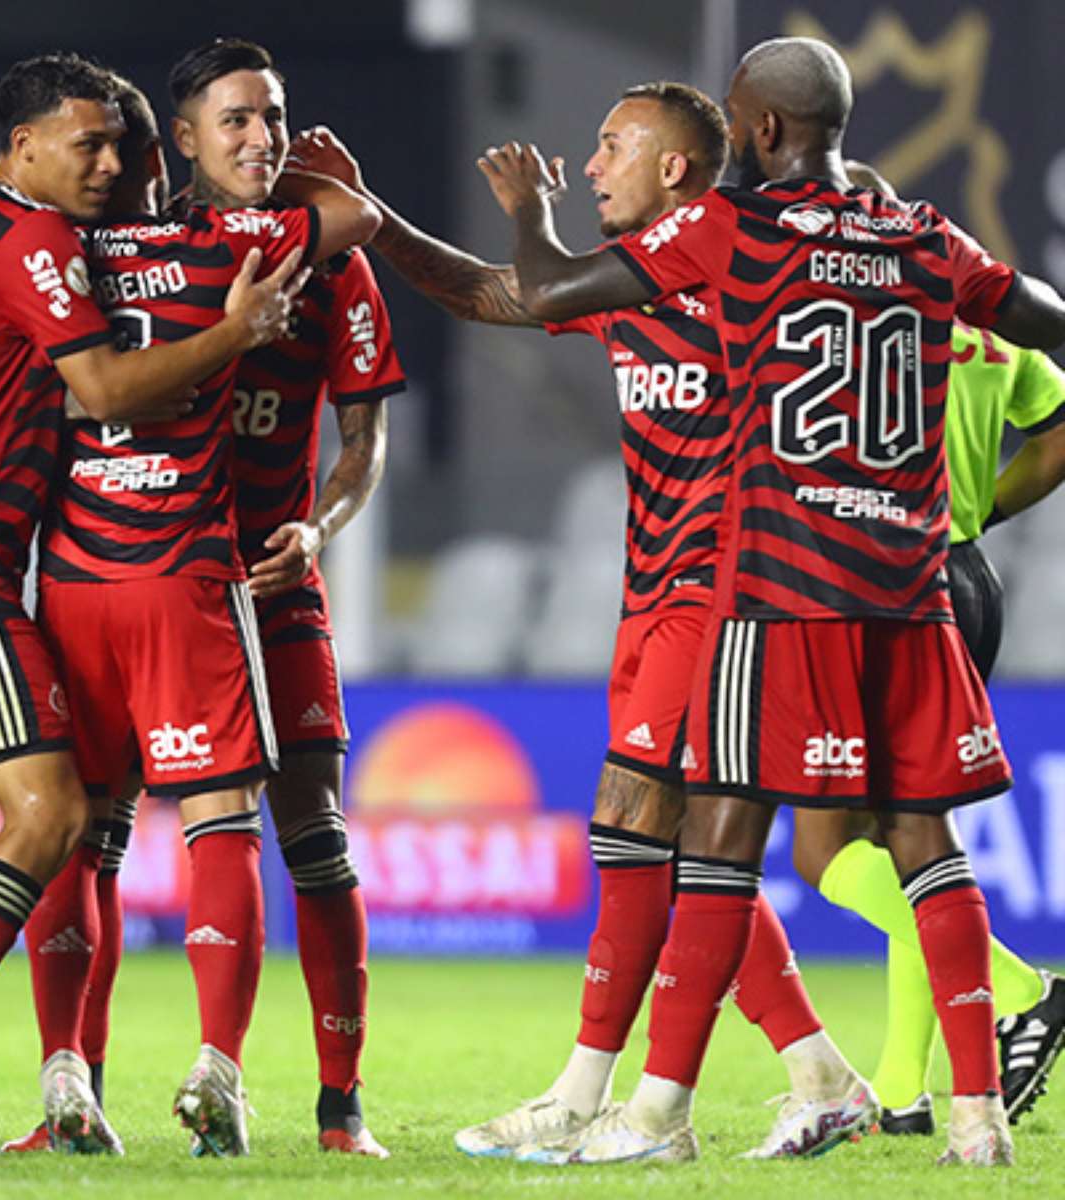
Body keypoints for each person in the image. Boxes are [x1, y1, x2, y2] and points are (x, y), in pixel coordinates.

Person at [479, 36, 1065, 1167]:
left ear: (756, 132)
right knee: (925, 846)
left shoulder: (733, 230)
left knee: (720, 841)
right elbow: (1038, 310)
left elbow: (548, 289)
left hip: (780, 588)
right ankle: (978, 1123)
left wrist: (521, 210)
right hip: (909, 591)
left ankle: (656, 1117)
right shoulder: (925, 237)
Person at [290, 86, 875, 1162]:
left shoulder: (736, 270)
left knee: (633, 836)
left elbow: (537, 276)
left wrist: (524, 211)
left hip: (724, 592)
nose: (590, 162)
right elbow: (487, 292)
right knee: (695, 855)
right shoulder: (634, 279)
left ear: (676, 171)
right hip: (652, 593)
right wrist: (374, 216)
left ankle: (592, 1093)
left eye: (613, 147)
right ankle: (818, 1073)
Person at [0, 52, 298, 1157]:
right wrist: (235, 333)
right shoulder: (35, 238)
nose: (107, 166)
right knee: (52, 813)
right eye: (86, 144)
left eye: (119, 146)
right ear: (21, 148)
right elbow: (100, 386)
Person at [3, 38, 403, 1159]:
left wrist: (316, 528)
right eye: (234, 121)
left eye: (273, 118)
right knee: (94, 837)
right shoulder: (127, 245)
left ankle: (341, 1108)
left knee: (314, 834)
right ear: (181, 140)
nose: (260, 140)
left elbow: (365, 437)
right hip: (154, 575)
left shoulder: (326, 269)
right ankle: (78, 1093)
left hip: (265, 585)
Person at [789, 161, 1065, 1136]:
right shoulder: (989, 325)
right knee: (917, 842)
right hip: (968, 573)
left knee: (825, 847)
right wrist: (982, 503)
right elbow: (1059, 432)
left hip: (885, 583)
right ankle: (904, 1094)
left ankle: (1021, 985)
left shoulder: (872, 322)